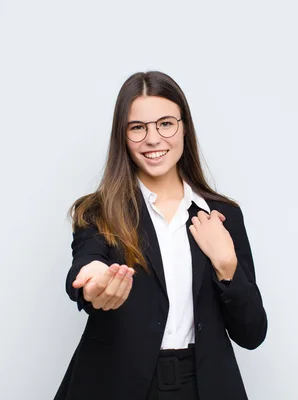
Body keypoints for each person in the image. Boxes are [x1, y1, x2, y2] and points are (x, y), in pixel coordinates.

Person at [54, 71, 267, 400]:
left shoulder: (223, 216)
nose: (153, 139)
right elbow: (87, 263)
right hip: (118, 385)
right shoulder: (99, 211)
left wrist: (226, 264)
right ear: (123, 136)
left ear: (184, 128)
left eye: (166, 124)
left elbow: (252, 332)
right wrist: (93, 283)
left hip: (202, 385)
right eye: (138, 128)